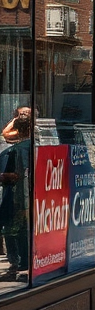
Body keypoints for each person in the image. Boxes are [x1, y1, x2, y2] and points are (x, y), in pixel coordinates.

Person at [0, 109, 31, 281]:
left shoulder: (15, 151)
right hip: (31, 198)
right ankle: (23, 262)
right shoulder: (35, 146)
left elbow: (16, 176)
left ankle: (18, 263)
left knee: (14, 230)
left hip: (17, 198)